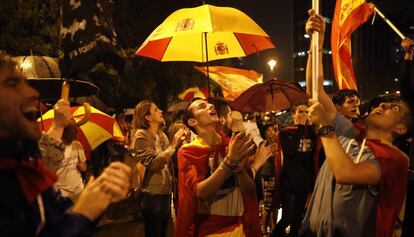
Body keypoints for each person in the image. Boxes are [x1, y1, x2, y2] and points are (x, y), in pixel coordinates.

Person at [301, 10, 412, 237]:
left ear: (401, 128)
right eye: (381, 104)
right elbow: (315, 90)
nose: (381, 107)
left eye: (393, 109)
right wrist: (317, 43)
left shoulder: (395, 160)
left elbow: (345, 173)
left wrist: (325, 129)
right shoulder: (353, 133)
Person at [0, 52, 131, 236]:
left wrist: (94, 198)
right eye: (12, 84)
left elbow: (52, 222)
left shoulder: (23, 166)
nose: (33, 93)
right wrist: (84, 213)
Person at [175, 98, 260, 237]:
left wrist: (240, 172)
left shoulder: (231, 144)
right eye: (202, 106)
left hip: (240, 228)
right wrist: (229, 162)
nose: (210, 106)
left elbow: (250, 190)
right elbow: (201, 193)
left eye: (210, 104)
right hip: (209, 231)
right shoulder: (188, 152)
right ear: (192, 122)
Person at [131, 100, 186, 237]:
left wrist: (181, 144)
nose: (161, 111)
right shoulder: (141, 136)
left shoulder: (162, 135)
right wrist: (173, 145)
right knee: (154, 232)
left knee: (163, 232)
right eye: (155, 110)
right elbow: (154, 164)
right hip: (152, 194)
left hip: (166, 191)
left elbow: (169, 160)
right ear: (147, 117)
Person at [271, 104, 317, 237]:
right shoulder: (286, 132)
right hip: (289, 182)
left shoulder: (312, 133)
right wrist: (301, 127)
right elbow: (290, 152)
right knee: (287, 217)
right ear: (294, 115)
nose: (304, 114)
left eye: (306, 112)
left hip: (304, 181)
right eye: (301, 112)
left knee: (297, 219)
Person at [47, 121, 87, 200]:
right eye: (73, 130)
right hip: (62, 194)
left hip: (79, 190)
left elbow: (85, 167)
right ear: (64, 132)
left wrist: (83, 167)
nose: (76, 133)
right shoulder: (54, 148)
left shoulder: (77, 145)